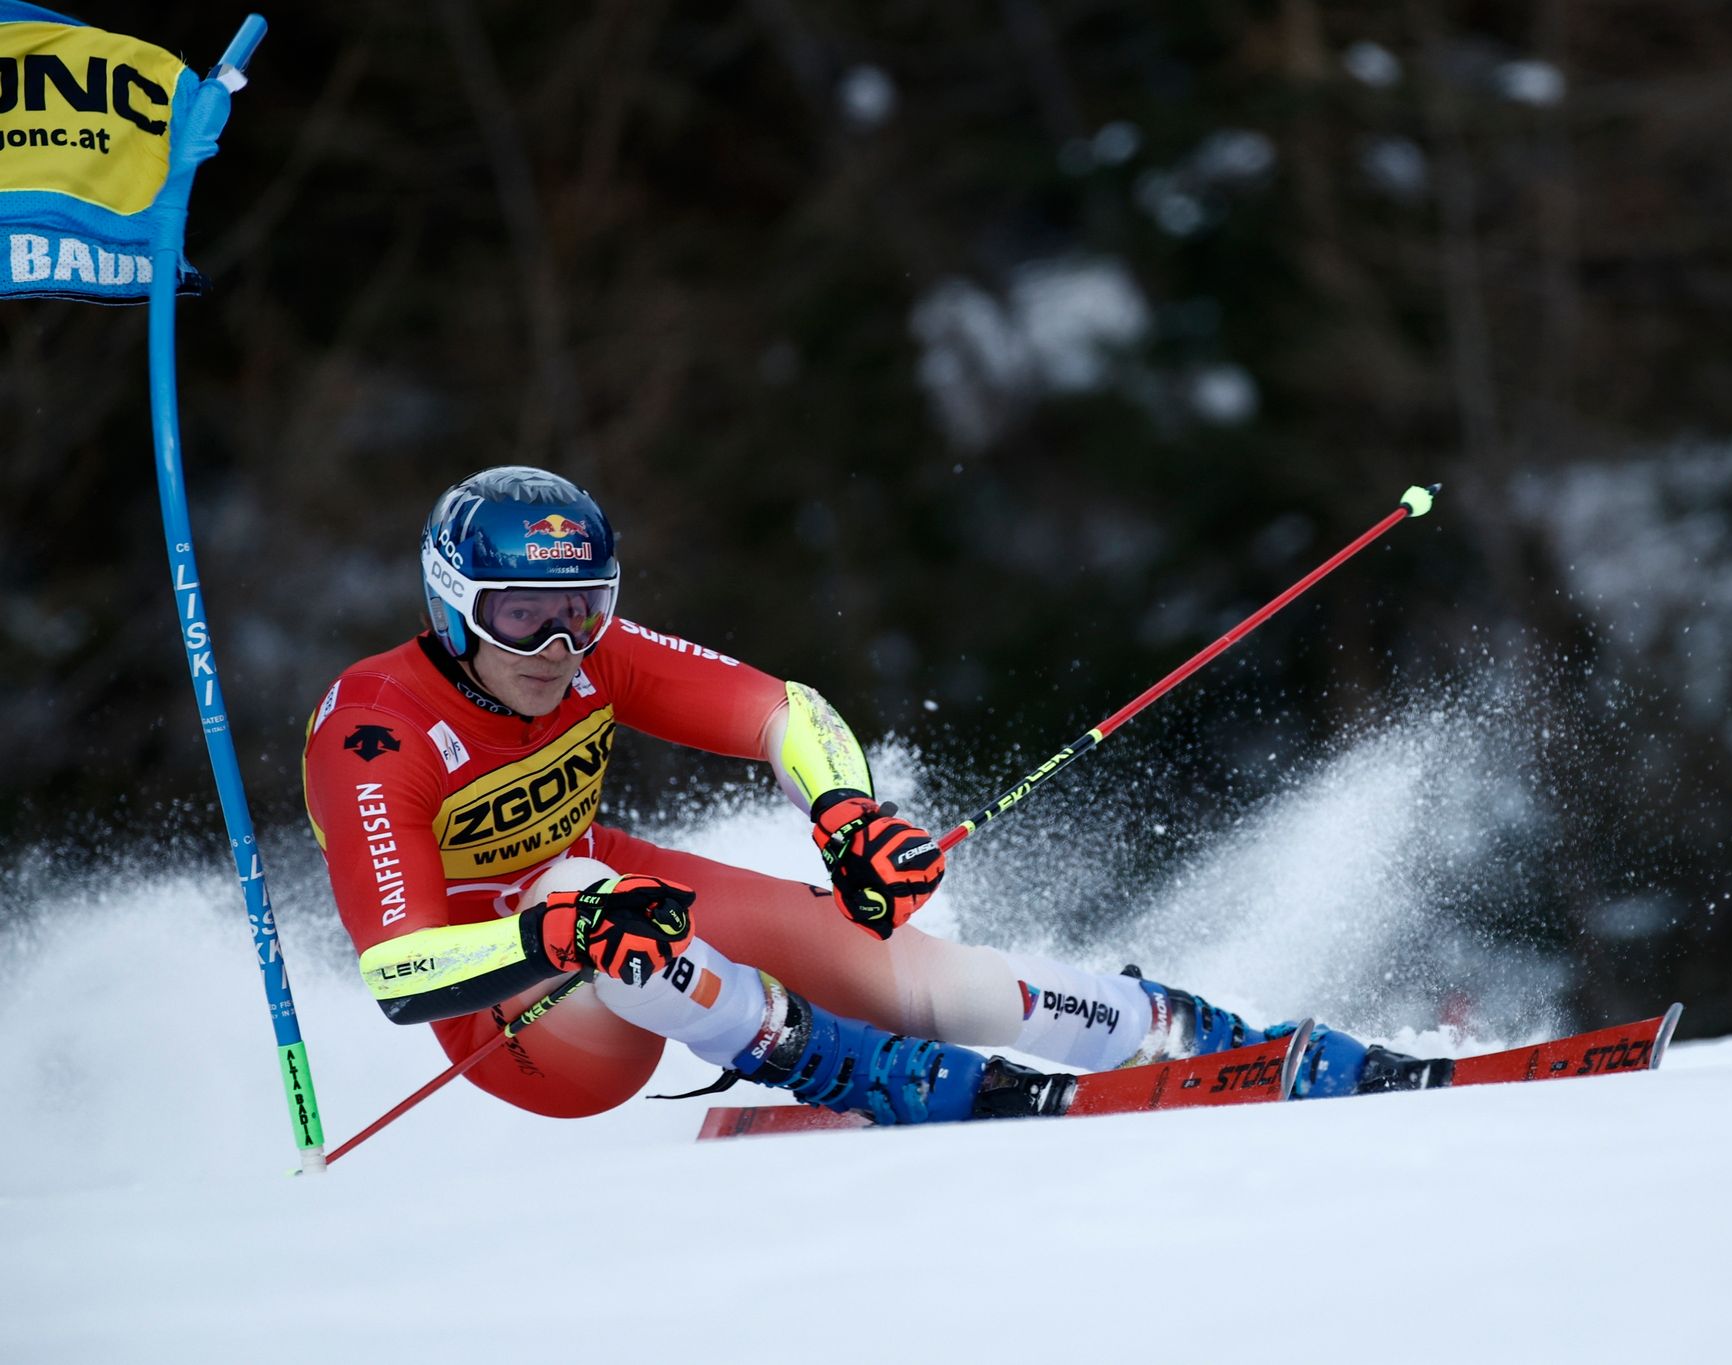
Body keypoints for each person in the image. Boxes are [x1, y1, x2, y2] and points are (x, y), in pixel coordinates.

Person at [302, 466, 1441, 1126]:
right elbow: (397, 971)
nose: (558, 642)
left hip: (608, 912)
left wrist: (846, 813)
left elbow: (783, 711)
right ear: (454, 604)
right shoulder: (376, 733)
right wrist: (560, 926)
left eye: (585, 607)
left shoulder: (593, 653)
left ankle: (1174, 1031)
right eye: (521, 614)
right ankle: (847, 1070)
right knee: (587, 885)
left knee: (878, 951)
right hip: (517, 1023)